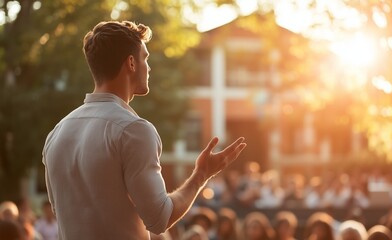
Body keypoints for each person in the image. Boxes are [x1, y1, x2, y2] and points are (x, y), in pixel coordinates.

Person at [42, 20, 247, 240]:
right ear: (131, 63)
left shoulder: (57, 133)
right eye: (145, 58)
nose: (149, 67)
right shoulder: (133, 130)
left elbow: (61, 211)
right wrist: (201, 175)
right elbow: (160, 219)